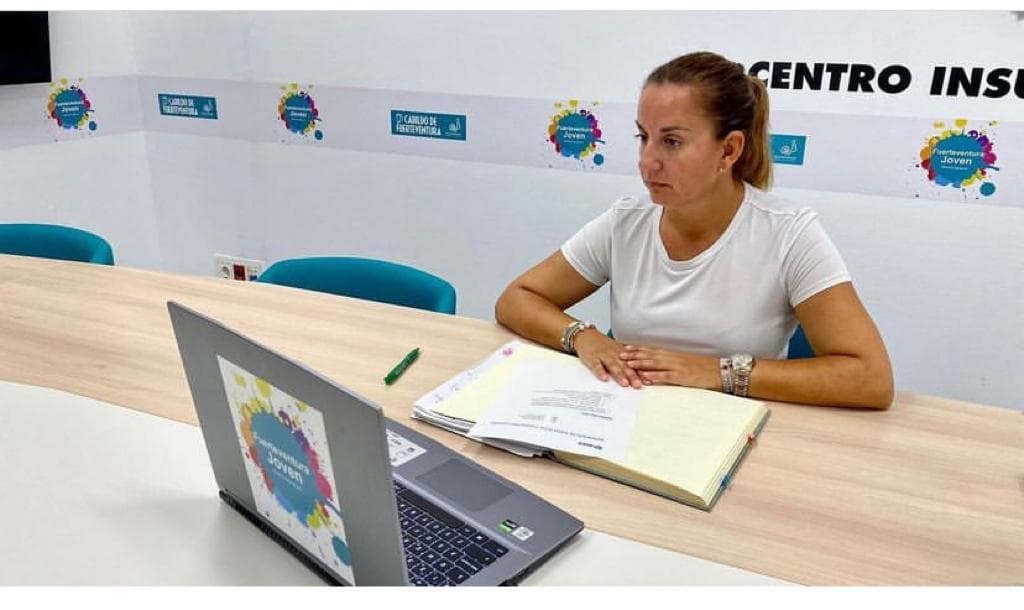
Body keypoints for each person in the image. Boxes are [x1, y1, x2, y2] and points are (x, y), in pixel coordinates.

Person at [494, 51, 894, 409]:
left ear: (729, 150)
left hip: (732, 431)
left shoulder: (788, 232)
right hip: (626, 416)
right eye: (644, 137)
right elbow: (517, 299)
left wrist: (716, 372)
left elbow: (870, 378)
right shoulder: (626, 221)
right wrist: (583, 336)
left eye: (671, 142)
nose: (647, 161)